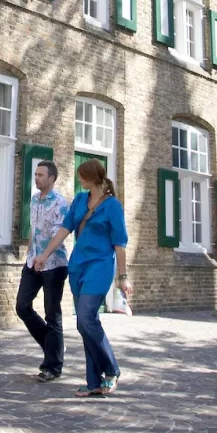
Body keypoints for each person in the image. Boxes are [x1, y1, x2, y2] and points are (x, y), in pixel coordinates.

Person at [34, 158, 130, 397]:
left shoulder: (112, 207)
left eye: (81, 176)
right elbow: (64, 230)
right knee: (83, 324)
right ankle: (93, 381)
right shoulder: (79, 200)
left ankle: (111, 369)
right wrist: (45, 254)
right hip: (78, 267)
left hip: (100, 267)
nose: (79, 180)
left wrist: (123, 276)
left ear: (91, 178)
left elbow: (120, 244)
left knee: (87, 318)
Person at [17, 159, 70, 382]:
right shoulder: (34, 200)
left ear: (52, 178)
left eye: (40, 175)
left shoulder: (60, 203)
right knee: (22, 307)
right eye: (35, 174)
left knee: (52, 314)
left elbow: (60, 234)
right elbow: (34, 230)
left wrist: (45, 255)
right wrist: (30, 254)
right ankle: (53, 346)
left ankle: (53, 366)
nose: (36, 178)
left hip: (54, 264)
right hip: (32, 262)